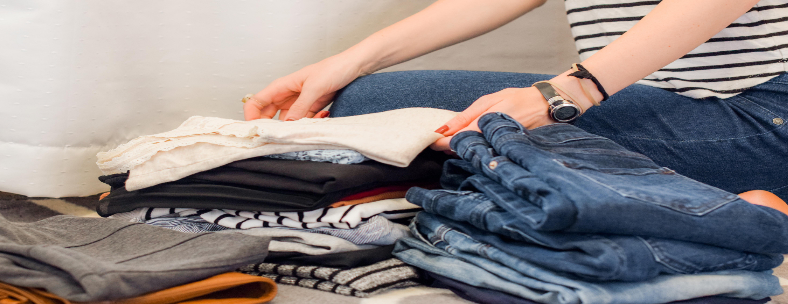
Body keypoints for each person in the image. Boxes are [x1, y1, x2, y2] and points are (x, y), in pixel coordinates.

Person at [242, 0, 788, 208]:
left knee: (378, 114)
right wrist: (351, 60)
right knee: (359, 100)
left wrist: (564, 95)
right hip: (667, 103)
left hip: (763, 114)